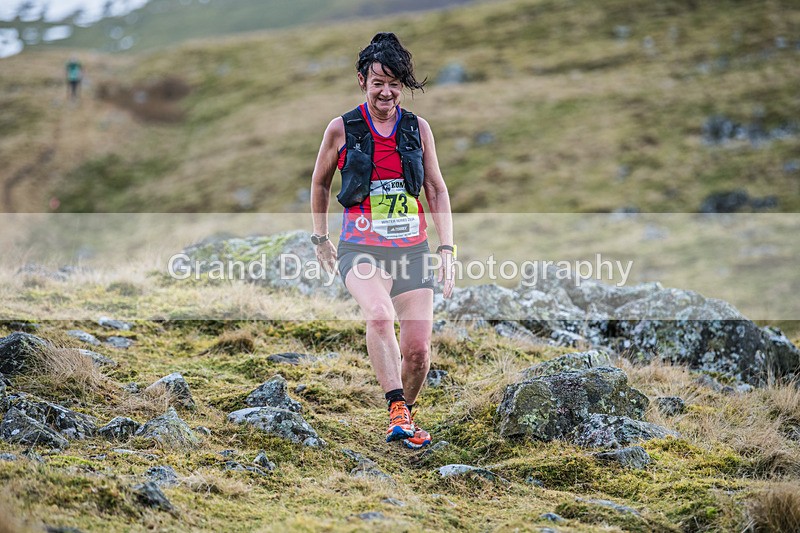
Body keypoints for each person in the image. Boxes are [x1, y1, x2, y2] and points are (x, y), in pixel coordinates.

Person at [310, 32, 455, 449]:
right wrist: (320, 238)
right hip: (361, 248)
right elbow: (320, 183)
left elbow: (436, 189)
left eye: (394, 83)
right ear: (363, 81)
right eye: (378, 83)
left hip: (412, 250)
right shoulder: (341, 129)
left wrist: (447, 247)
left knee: (418, 352)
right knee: (377, 315)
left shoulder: (417, 128)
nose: (386, 92)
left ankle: (404, 417)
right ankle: (395, 407)